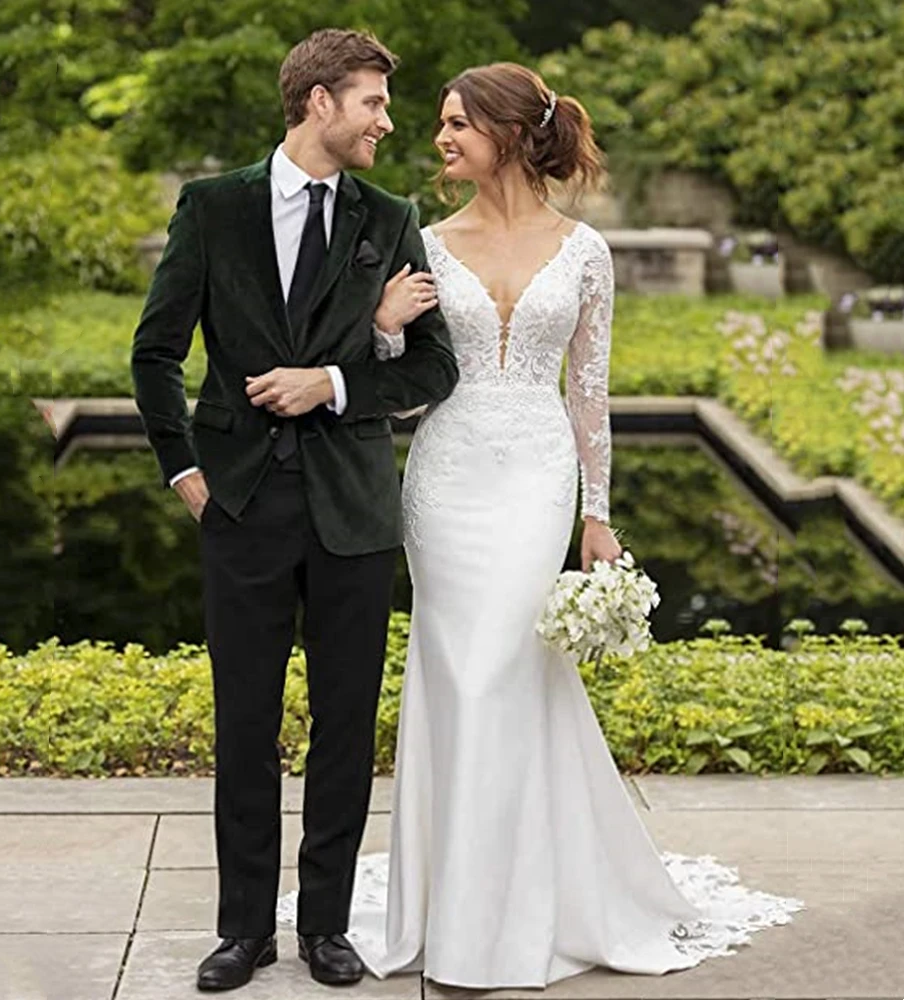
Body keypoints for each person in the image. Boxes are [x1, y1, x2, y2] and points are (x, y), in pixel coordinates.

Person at [276, 62, 803, 988]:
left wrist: (597, 516)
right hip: (447, 477)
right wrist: (386, 327)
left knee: (510, 670)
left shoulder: (586, 251)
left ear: (509, 133)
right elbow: (403, 390)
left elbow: (588, 394)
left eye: (455, 124)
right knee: (461, 673)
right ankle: (455, 907)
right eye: (436, 123)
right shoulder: (423, 240)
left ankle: (515, 908)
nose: (438, 138)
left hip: (537, 476)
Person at [130, 29, 458, 993]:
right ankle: (242, 931)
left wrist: (339, 380)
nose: (387, 123)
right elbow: (155, 354)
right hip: (239, 504)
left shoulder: (390, 218)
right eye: (372, 103)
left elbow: (437, 364)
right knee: (244, 723)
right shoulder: (214, 207)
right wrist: (182, 471)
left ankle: (324, 929)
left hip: (354, 509)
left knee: (347, 724)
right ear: (319, 103)